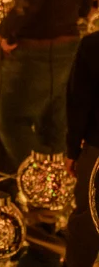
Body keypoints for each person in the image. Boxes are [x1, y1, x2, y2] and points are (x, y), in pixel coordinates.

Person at [0, 0, 94, 167]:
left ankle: (42, 180)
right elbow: (85, 8)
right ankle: (54, 188)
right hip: (68, 45)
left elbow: (29, 4)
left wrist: (4, 31)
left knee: (13, 124)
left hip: (34, 48)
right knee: (54, 124)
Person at [65, 31, 99, 267]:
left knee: (88, 218)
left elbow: (79, 102)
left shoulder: (93, 45)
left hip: (97, 148)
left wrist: (72, 149)